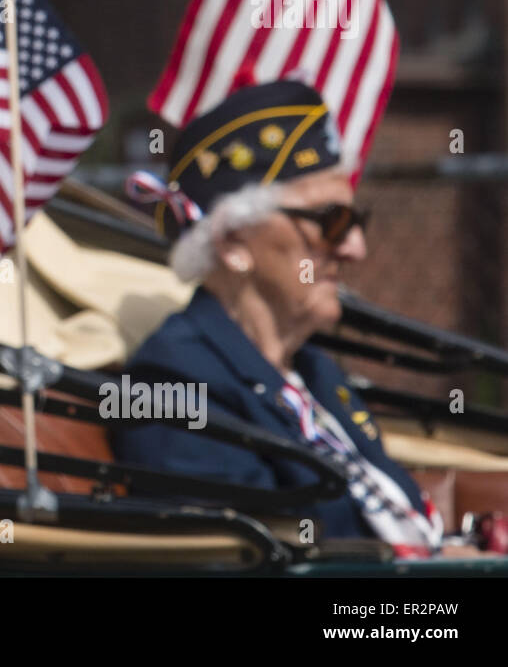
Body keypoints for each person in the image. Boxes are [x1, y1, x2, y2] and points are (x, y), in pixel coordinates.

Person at [115, 78, 446, 557]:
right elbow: (276, 562)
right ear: (233, 244)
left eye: (355, 222)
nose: (356, 248)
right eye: (330, 222)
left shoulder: (311, 371)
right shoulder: (173, 387)